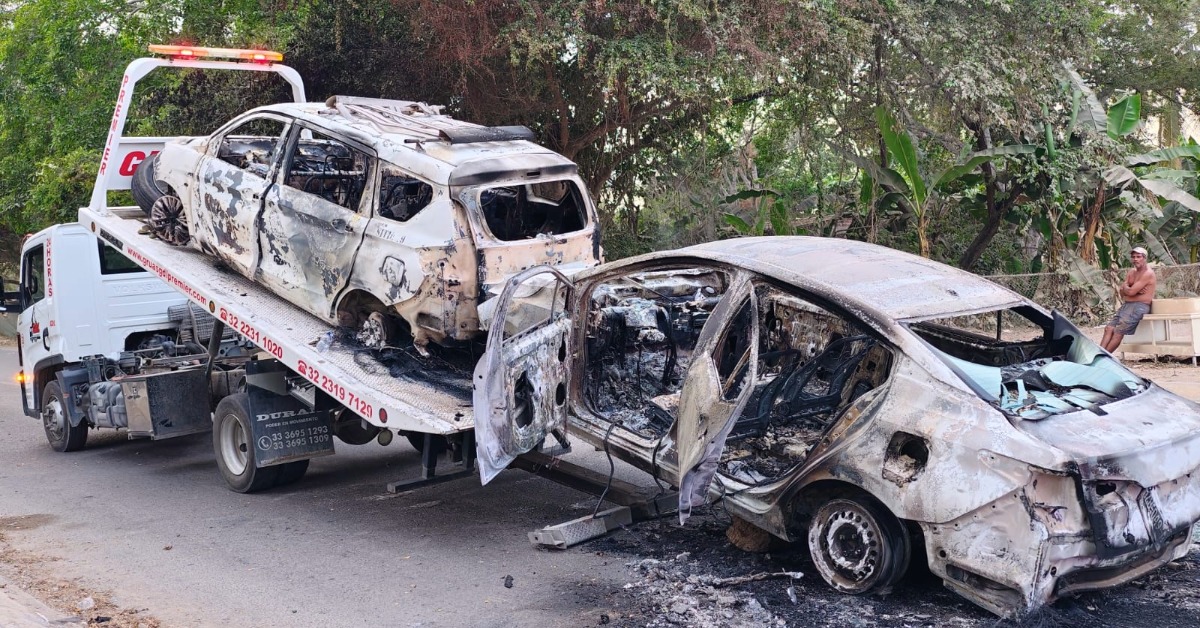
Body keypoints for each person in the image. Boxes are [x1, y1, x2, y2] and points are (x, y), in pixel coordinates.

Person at [1101, 247, 1156, 353]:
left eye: (1138, 257)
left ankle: (1103, 357)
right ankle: (1098, 353)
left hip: (1139, 306)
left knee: (1118, 332)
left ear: (1144, 258)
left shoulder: (1148, 273)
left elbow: (1129, 292)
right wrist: (1127, 289)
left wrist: (1127, 289)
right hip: (1127, 305)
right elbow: (1122, 292)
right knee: (1109, 328)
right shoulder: (1131, 272)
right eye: (1133, 257)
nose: (1135, 259)